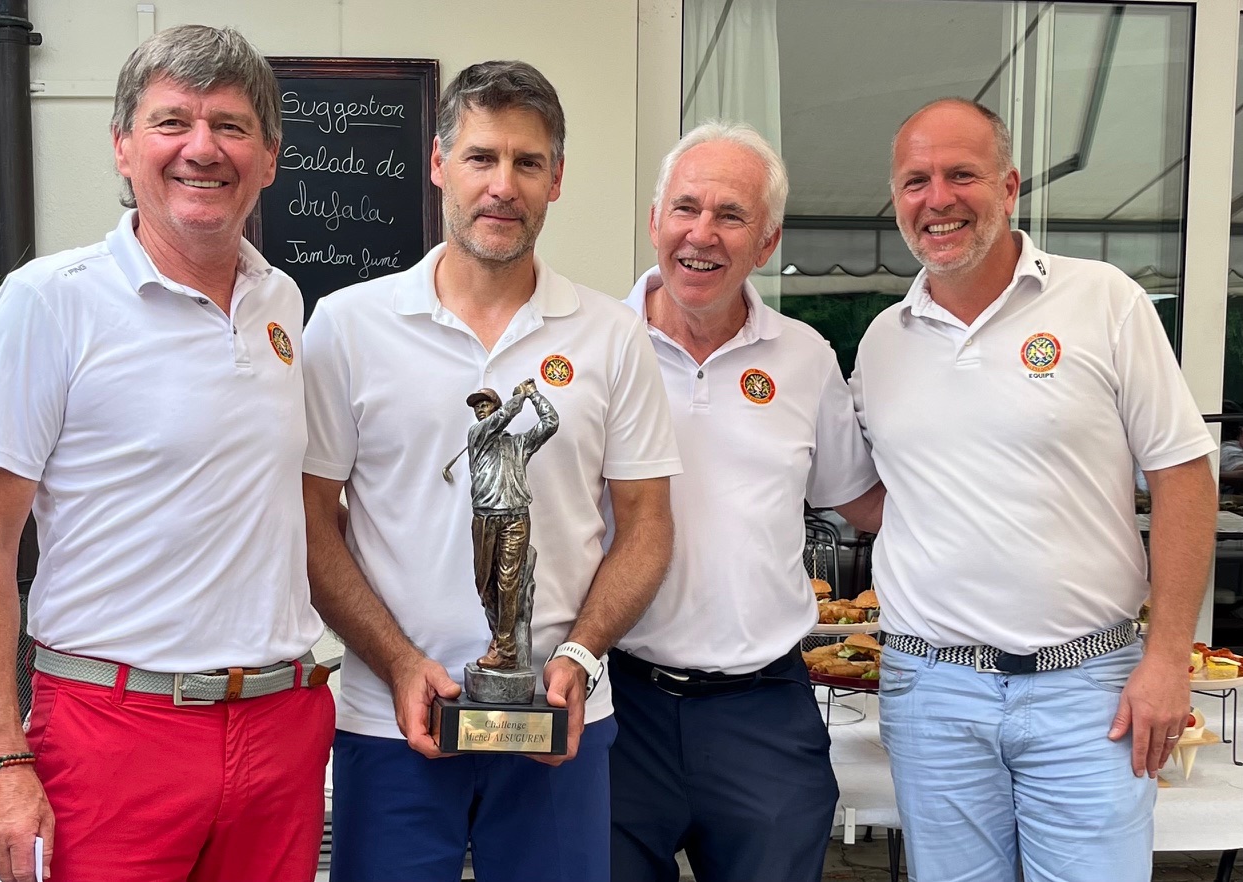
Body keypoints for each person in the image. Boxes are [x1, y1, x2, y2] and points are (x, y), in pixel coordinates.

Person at [0, 24, 334, 882]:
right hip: (112, 732)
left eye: (231, 126)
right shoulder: (51, 301)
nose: (203, 147)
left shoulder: (281, 301)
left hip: (280, 724)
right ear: (123, 146)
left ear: (270, 158)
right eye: (172, 122)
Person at [301, 60, 679, 882]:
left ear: (557, 179)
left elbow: (648, 524)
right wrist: (398, 662)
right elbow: (309, 519)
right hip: (389, 723)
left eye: (527, 162)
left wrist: (580, 657)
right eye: (481, 157)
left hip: (559, 720)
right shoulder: (347, 326)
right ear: (440, 164)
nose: (503, 185)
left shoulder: (611, 335)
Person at [850, 97, 1217, 881]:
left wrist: (1167, 659)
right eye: (916, 181)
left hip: (1089, 689)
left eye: (962, 174)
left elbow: (1184, 478)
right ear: (896, 197)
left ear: (1010, 186)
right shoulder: (883, 341)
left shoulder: (1104, 300)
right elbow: (877, 491)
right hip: (932, 690)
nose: (938, 199)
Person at [609, 121, 884, 882]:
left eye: (731, 215)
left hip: (763, 710)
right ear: (655, 220)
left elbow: (863, 502)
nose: (702, 234)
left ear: (767, 243)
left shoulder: (805, 358)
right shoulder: (593, 346)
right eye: (686, 207)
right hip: (615, 702)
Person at [465, 380, 558, 670]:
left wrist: (534, 394)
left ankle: (506, 650)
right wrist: (518, 398)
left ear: (494, 405)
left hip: (516, 517)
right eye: (477, 407)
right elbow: (502, 418)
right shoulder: (477, 435)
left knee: (509, 583)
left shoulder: (518, 443)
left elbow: (551, 422)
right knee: (485, 586)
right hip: (485, 518)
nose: (480, 410)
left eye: (485, 404)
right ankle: (499, 637)